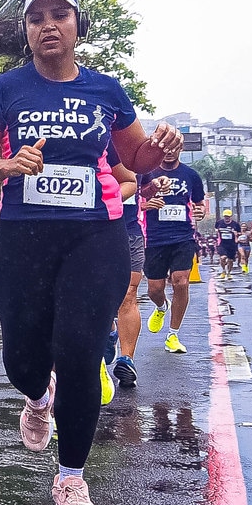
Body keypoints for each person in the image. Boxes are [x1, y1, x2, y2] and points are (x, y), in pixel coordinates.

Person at [0, 0, 182, 505]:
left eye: (59, 14)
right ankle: (39, 398)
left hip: (96, 235)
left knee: (81, 353)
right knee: (22, 357)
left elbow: (139, 157)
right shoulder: (6, 89)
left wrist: (164, 149)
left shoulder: (106, 90)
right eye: (36, 18)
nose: (47, 25)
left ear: (77, 26)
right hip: (24, 236)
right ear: (28, 32)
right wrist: (9, 165)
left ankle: (71, 479)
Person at [140, 156, 207, 354]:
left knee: (181, 282)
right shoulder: (147, 173)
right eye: (165, 147)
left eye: (173, 147)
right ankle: (161, 307)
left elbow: (199, 203)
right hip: (154, 238)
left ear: (180, 148)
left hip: (183, 237)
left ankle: (173, 335)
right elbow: (133, 201)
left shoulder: (191, 175)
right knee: (154, 289)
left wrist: (200, 211)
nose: (169, 151)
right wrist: (146, 205)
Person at [102, 145, 143, 393]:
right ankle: (109, 331)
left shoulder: (138, 153)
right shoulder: (84, 139)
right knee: (97, 297)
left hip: (129, 231)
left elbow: (143, 187)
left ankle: (126, 360)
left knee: (128, 294)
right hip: (95, 229)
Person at [216, 210, 241, 276]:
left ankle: (229, 272)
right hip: (222, 243)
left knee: (230, 260)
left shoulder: (235, 224)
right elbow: (216, 230)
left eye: (228, 216)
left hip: (232, 244)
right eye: (225, 216)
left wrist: (236, 233)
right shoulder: (219, 223)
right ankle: (223, 270)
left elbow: (240, 233)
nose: (227, 218)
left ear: (231, 216)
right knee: (223, 257)